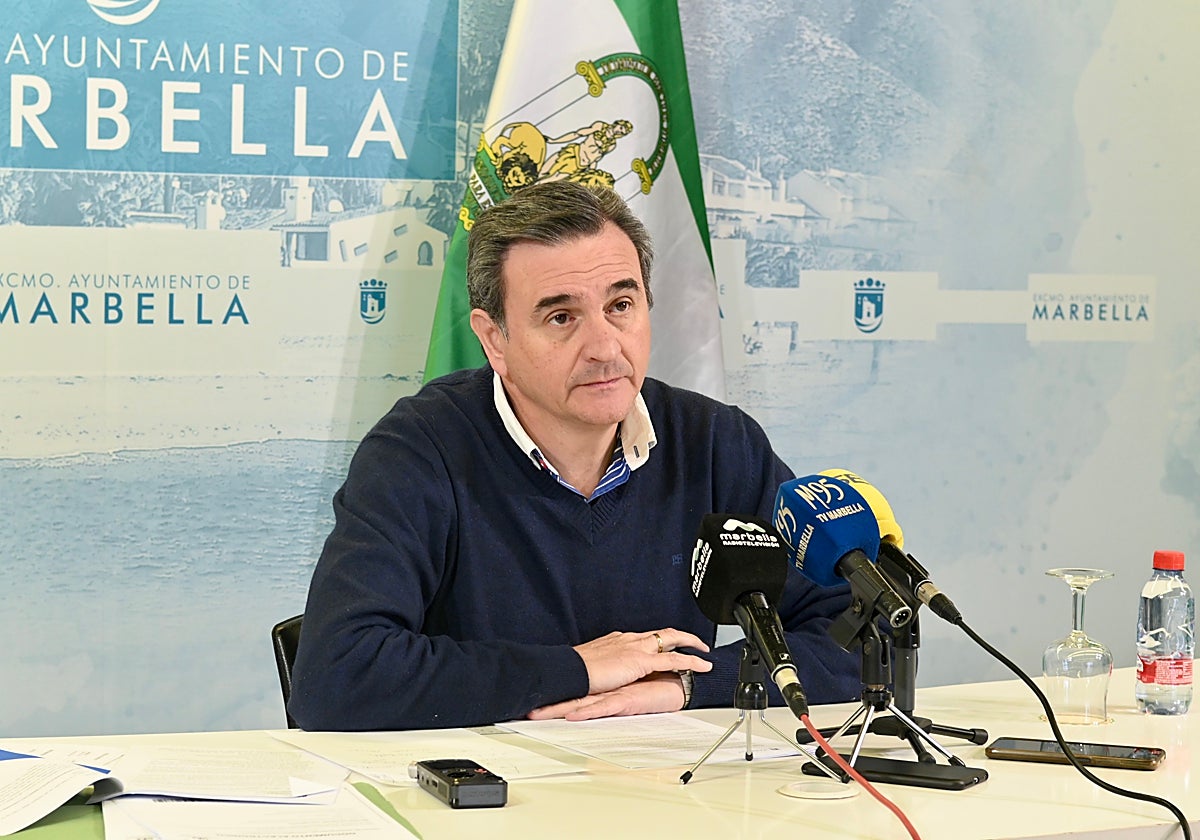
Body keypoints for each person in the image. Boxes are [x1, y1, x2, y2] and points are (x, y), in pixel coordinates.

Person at [289, 180, 859, 731]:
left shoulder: (714, 442)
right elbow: (336, 676)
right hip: (489, 787)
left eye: (621, 305)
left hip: (661, 779)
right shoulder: (420, 450)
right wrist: (579, 669)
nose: (605, 347)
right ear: (494, 340)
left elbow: (862, 630)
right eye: (561, 317)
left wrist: (687, 686)